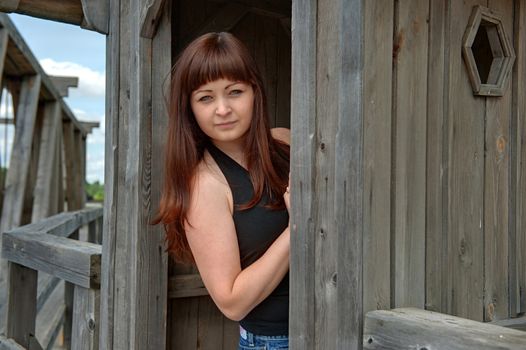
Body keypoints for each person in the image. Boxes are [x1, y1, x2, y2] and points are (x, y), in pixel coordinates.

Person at [155, 32, 291, 349]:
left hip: (336, 322)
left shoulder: (286, 142)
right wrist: (296, 229)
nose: (223, 109)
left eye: (234, 92)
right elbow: (231, 302)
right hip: (275, 342)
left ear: (255, 92)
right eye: (206, 98)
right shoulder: (205, 185)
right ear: (189, 108)